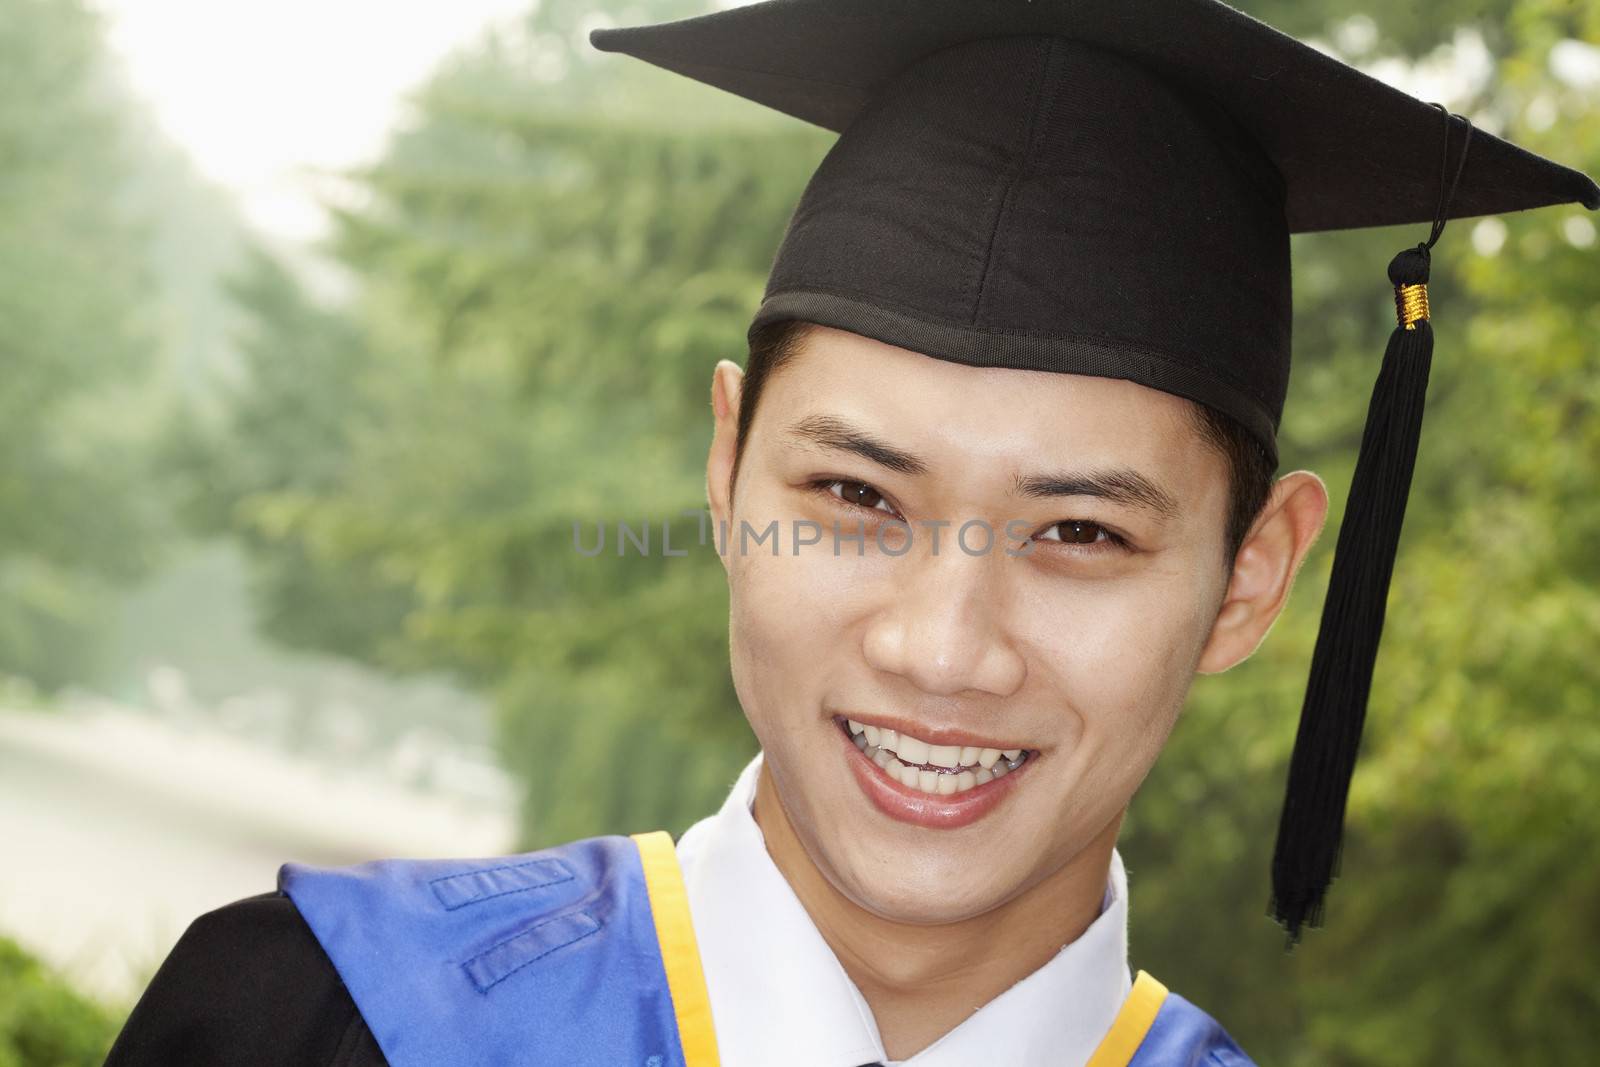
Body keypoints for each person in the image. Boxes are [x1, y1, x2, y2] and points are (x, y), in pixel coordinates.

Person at [103, 1, 1597, 1065]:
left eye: (1078, 531)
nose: (942, 650)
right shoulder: (321, 1021)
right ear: (727, 469)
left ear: (1248, 579)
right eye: (858, 499)